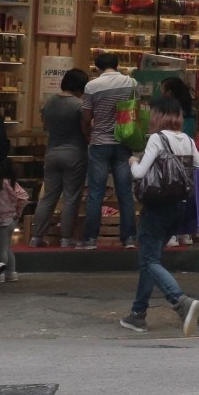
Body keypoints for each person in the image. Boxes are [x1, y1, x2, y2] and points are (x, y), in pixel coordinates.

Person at [120, 95, 199, 335]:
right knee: (151, 260)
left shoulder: (157, 139)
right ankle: (138, 314)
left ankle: (181, 302)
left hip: (156, 207)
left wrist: (132, 160)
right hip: (178, 207)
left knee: (148, 260)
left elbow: (139, 173)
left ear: (158, 115)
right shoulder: (187, 140)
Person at [80, 52, 139, 249]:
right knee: (125, 192)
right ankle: (129, 237)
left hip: (99, 143)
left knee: (96, 192)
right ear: (117, 64)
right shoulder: (131, 82)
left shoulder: (92, 86)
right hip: (123, 142)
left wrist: (88, 133)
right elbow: (135, 111)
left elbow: (86, 117)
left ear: (97, 67)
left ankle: (90, 239)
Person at [30, 68, 90, 248]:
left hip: (52, 152)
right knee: (71, 197)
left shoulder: (49, 103)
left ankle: (36, 236)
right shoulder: (79, 106)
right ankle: (65, 238)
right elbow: (85, 130)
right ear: (80, 86)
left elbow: (46, 126)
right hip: (74, 153)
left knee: (48, 196)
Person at [163, 77, 199, 244]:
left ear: (170, 92)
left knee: (171, 196)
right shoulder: (191, 110)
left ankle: (172, 234)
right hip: (188, 154)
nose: (161, 92)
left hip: (173, 156)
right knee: (186, 195)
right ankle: (185, 233)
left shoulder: (171, 110)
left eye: (163, 89)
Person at [0, 155, 25, 281]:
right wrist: (17, 212)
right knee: (8, 247)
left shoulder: (0, 184)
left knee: (0, 249)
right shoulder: (13, 184)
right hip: (12, 218)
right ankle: (11, 272)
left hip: (0, 220)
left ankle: (0, 274)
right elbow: (23, 197)